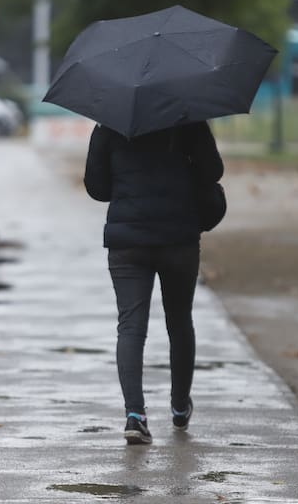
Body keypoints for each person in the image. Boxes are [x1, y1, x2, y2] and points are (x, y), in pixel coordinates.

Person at [83, 120, 224, 445]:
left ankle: (135, 415)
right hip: (179, 238)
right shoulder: (188, 120)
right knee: (179, 320)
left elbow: (97, 188)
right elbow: (213, 171)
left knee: (130, 326)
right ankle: (179, 406)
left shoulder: (110, 124)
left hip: (127, 241)